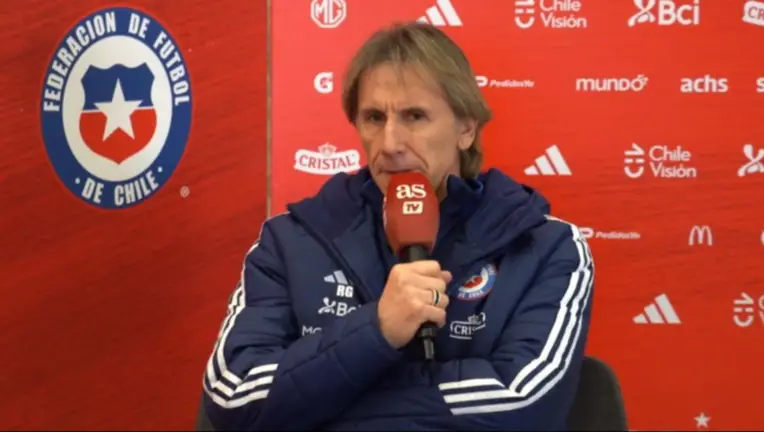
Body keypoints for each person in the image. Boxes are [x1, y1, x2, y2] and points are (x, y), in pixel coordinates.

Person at [201, 22, 594, 431]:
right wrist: (377, 329)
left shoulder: (546, 246)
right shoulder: (287, 241)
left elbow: (523, 406)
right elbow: (235, 396)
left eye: (415, 116)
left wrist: (317, 405)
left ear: (466, 128)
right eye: (373, 117)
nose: (390, 144)